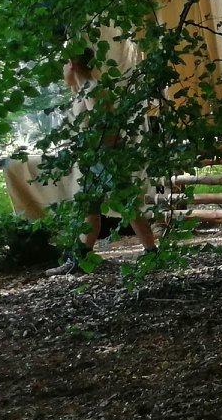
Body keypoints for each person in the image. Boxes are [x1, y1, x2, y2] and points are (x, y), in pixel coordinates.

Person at [51, 48, 160, 273]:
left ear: (71, 64)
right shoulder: (83, 91)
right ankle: (80, 260)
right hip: (96, 159)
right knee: (90, 209)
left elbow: (106, 128)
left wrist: (95, 152)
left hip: (105, 158)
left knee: (127, 206)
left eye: (64, 64)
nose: (62, 70)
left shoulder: (92, 90)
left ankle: (152, 254)